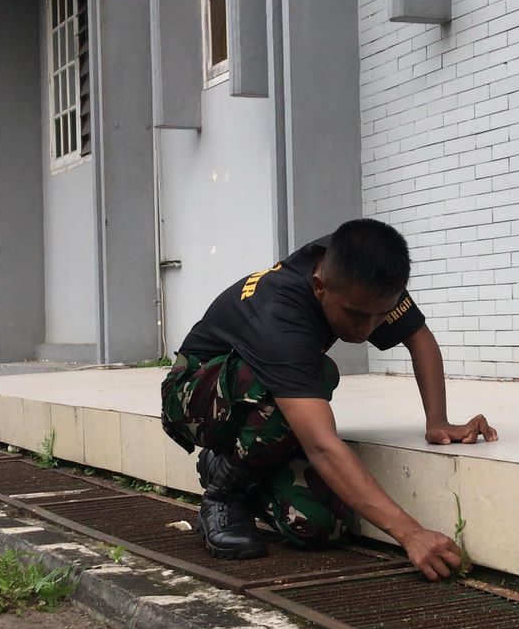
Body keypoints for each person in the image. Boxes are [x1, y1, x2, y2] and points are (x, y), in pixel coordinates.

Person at [161, 218, 497, 581]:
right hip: (194, 395)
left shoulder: (364, 267)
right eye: (355, 315)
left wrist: (438, 421)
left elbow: (418, 337)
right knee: (314, 375)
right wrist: (411, 534)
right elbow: (322, 446)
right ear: (319, 287)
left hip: (250, 404)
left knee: (318, 525)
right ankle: (223, 495)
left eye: (380, 315)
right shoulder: (282, 314)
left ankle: (229, 464)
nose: (367, 329)